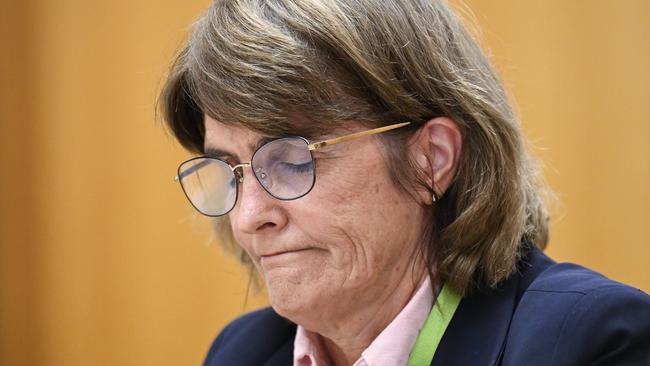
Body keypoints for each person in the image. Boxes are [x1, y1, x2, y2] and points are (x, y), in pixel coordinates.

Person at [159, 0, 650, 365]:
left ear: (430, 160)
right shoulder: (240, 353)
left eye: (291, 159)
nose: (249, 216)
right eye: (231, 170)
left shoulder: (591, 342)